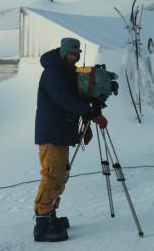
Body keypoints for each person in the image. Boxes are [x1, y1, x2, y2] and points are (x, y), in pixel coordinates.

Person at [33, 38, 108, 242]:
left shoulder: (66, 70)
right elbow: (62, 98)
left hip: (62, 131)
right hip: (52, 132)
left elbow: (76, 96)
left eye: (76, 54)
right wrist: (90, 113)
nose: (73, 57)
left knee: (61, 175)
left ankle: (50, 215)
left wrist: (91, 107)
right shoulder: (53, 71)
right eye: (70, 54)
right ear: (63, 52)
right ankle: (42, 224)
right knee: (52, 174)